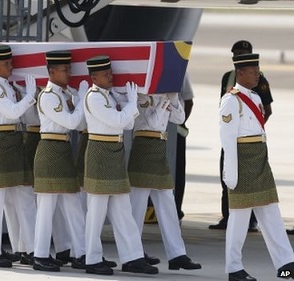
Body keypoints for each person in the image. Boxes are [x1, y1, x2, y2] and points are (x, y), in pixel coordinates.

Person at [219, 53, 294, 281]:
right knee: (239, 218)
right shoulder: (231, 100)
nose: (257, 75)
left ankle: (286, 264)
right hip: (242, 163)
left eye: (258, 71)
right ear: (240, 73)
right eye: (252, 72)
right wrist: (230, 173)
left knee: (271, 211)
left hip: (259, 160)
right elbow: (227, 140)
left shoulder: (255, 97)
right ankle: (234, 268)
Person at [83, 55, 157, 276]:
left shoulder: (109, 95)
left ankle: (132, 256)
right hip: (100, 152)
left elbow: (128, 123)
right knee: (96, 210)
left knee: (122, 209)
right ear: (94, 77)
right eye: (106, 75)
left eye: (111, 73)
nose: (110, 77)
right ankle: (92, 258)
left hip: (115, 152)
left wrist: (128, 106)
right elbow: (118, 121)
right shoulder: (93, 97)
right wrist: (132, 105)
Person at [127, 87, 201, 271]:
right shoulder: (139, 94)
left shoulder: (165, 94)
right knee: (137, 205)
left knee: (167, 202)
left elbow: (179, 119)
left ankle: (177, 254)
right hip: (143, 147)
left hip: (159, 148)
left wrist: (174, 98)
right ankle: (132, 254)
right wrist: (164, 104)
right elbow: (151, 121)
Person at [32, 50, 88, 272]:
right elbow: (73, 122)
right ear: (51, 71)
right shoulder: (48, 96)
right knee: (46, 208)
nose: (69, 73)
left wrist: (78, 98)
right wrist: (83, 100)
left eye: (70, 69)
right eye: (65, 70)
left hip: (63, 150)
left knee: (73, 206)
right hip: (50, 151)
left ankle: (81, 253)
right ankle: (40, 255)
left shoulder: (64, 94)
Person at [0, 44, 37, 268]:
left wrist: (26, 95)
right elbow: (13, 112)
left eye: (10, 62)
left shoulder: (10, 87)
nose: (10, 66)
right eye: (5, 63)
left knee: (24, 196)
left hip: (15, 142)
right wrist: (30, 96)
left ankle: (33, 249)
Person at [211, 40, 274, 231]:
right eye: (236, 54)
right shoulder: (227, 78)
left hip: (249, 139)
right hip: (232, 134)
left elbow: (267, 110)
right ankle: (227, 216)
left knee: (253, 181)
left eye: (242, 54)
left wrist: (251, 129)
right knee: (227, 174)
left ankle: (251, 220)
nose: (239, 57)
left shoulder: (259, 80)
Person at [173, 74, 194, 221]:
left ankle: (176, 209)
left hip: (175, 130)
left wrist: (180, 122)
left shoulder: (179, 71)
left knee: (178, 172)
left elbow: (189, 101)